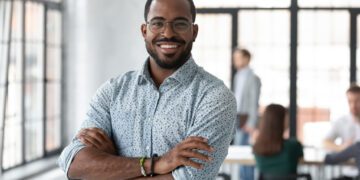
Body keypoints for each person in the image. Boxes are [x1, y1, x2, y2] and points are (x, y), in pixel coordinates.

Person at [57, 0, 237, 179]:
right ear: (144, 31)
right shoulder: (113, 91)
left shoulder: (215, 97)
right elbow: (73, 163)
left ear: (194, 32)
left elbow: (191, 177)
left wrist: (112, 163)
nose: (168, 33)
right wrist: (157, 164)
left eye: (180, 24)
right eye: (158, 23)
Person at [232, 48, 261, 180]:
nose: (235, 61)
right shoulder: (237, 76)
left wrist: (251, 123)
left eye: (238, 57)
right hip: (238, 117)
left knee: (247, 154)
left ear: (246, 59)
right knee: (239, 153)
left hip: (247, 119)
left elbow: (254, 101)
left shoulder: (253, 78)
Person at [253, 104, 303, 176]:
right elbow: (301, 156)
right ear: (280, 121)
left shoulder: (257, 147)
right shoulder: (293, 146)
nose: (288, 121)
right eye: (286, 118)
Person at [323, 85, 360, 152]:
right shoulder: (342, 122)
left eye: (357, 101)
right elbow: (325, 142)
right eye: (350, 101)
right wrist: (342, 147)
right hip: (348, 162)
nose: (353, 105)